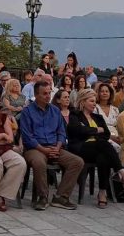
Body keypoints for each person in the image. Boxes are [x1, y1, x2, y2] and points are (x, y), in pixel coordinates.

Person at [68, 89, 124, 208]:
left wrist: (89, 131)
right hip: (81, 148)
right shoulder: (75, 115)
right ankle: (121, 172)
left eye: (95, 101)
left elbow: (106, 134)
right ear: (83, 101)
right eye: (91, 101)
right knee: (103, 144)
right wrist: (97, 130)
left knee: (103, 156)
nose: (94, 104)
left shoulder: (98, 117)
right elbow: (77, 130)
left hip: (98, 148)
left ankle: (102, 192)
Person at [20, 81, 84, 211]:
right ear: (36, 95)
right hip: (35, 148)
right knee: (39, 162)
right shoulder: (27, 112)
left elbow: (61, 132)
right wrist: (44, 150)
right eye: (44, 93)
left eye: (49, 93)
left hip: (54, 147)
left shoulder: (55, 111)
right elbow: (27, 137)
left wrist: (58, 147)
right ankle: (42, 197)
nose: (48, 96)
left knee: (77, 162)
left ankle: (61, 197)